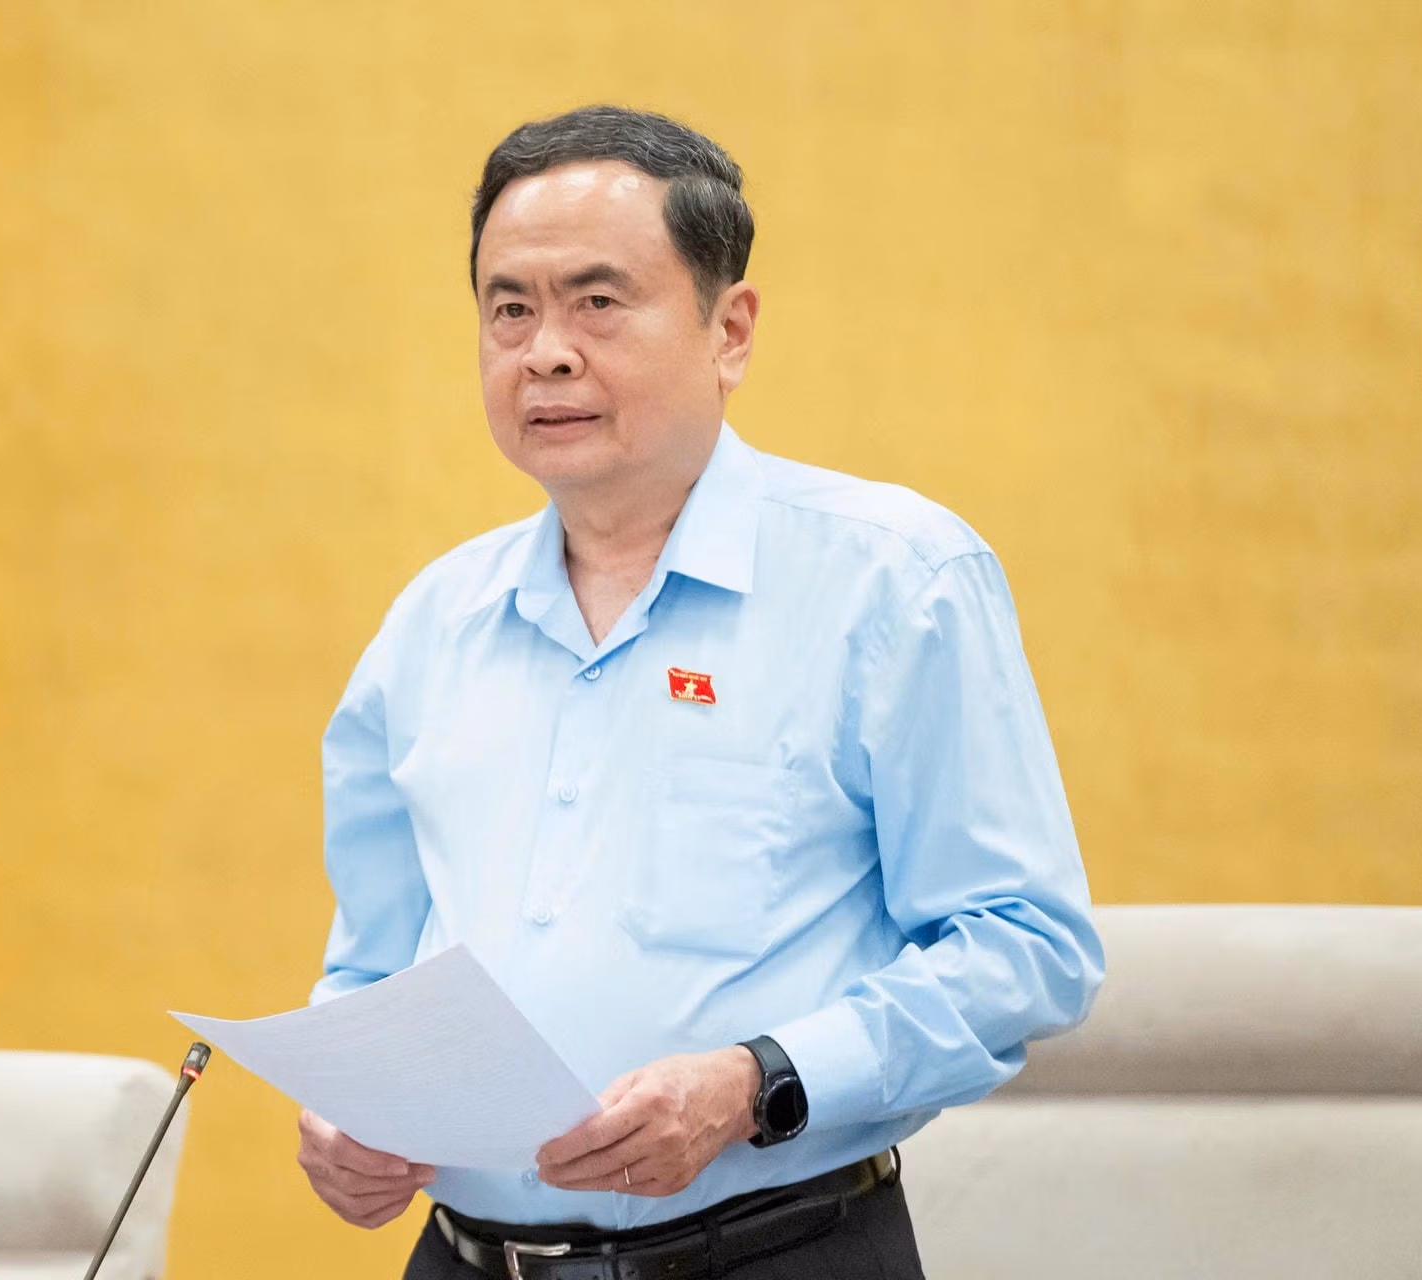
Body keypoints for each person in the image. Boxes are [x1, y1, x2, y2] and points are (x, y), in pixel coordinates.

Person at [296, 105, 1103, 1280]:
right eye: (509, 308)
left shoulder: (892, 580)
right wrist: (348, 1110)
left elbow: (1025, 946)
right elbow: (373, 968)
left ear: (730, 330)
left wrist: (754, 1081)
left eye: (597, 300)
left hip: (775, 1253)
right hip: (467, 1258)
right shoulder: (432, 625)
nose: (546, 351)